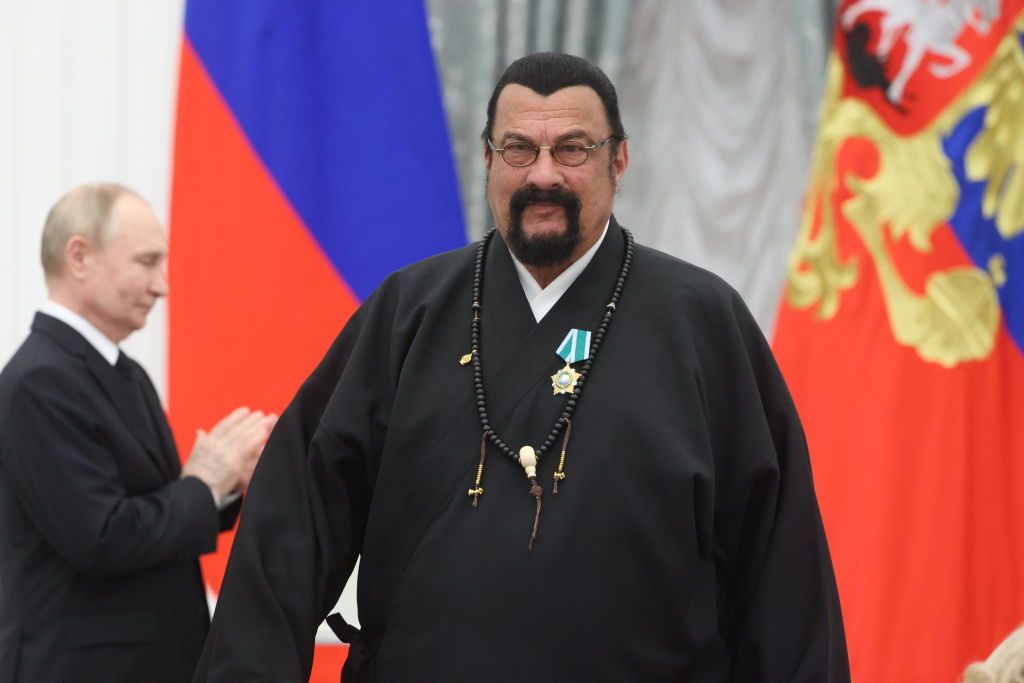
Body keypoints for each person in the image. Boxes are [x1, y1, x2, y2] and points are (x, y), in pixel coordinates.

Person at [195, 52, 850, 681]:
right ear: (488, 159)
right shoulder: (408, 314)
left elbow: (779, 570)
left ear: (618, 160)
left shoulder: (702, 323)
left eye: (572, 149)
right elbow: (296, 523)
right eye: (518, 149)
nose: (544, 175)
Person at [0, 182, 275, 682]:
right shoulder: (40, 380)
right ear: (79, 256)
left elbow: (152, 509)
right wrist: (203, 485)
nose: (161, 285)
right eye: (146, 262)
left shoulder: (121, 371)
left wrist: (227, 482)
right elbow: (102, 538)